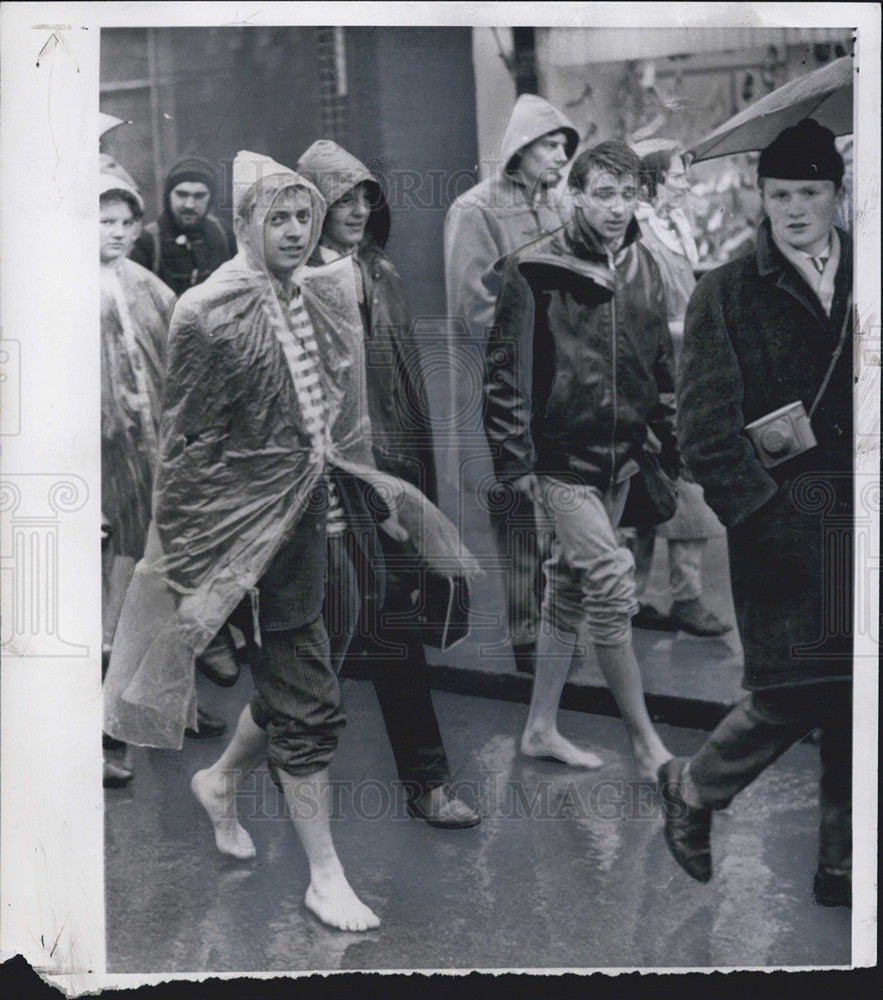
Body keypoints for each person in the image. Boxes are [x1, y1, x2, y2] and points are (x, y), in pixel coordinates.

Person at [104, 151, 477, 930]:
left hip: (331, 517)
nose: (296, 230)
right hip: (259, 536)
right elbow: (187, 445)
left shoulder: (317, 291)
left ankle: (221, 779)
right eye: (278, 217)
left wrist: (374, 492)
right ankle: (324, 875)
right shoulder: (206, 310)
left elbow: (342, 411)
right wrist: (205, 557)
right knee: (307, 701)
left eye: (304, 216)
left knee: (315, 675)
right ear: (242, 224)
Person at [660, 119, 853, 909]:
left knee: (857, 691)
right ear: (759, 197)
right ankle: (695, 788)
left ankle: (841, 862)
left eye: (809, 193)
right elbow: (702, 433)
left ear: (838, 196)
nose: (795, 209)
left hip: (864, 521)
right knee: (792, 692)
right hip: (780, 529)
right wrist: (761, 517)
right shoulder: (724, 294)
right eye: (779, 195)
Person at [296, 139, 480, 828]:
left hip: (387, 485)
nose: (356, 209)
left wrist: (411, 488)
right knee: (311, 648)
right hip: (321, 489)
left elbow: (405, 394)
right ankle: (240, 778)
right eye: (340, 199)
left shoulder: (384, 274)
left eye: (364, 196)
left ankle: (426, 781)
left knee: (395, 628)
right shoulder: (295, 281)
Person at [484, 141, 675, 778]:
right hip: (560, 458)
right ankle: (647, 745)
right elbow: (505, 375)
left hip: (621, 455)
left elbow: (659, 366)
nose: (618, 208)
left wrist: (664, 442)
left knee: (566, 589)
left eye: (628, 194)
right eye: (603, 194)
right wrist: (519, 469)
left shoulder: (646, 266)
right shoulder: (532, 266)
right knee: (611, 585)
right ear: (575, 196)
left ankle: (539, 727)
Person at [445, 95, 579, 675]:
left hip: (559, 378)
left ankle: (555, 625)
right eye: (552, 145)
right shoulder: (475, 210)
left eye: (565, 148)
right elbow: (472, 307)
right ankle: (527, 634)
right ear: (522, 148)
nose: (561, 157)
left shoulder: (557, 206)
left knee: (558, 501)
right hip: (507, 381)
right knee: (517, 506)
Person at [621, 139, 729, 638]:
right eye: (678, 176)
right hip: (651, 373)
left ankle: (683, 594)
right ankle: (632, 598)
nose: (686, 184)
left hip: (685, 367)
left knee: (686, 478)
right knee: (649, 483)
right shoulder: (635, 232)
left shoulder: (675, 227)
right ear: (651, 182)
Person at [99, 166, 174, 788]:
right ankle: (97, 735)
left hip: (149, 461)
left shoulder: (149, 288)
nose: (118, 232)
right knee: (101, 597)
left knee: (137, 587)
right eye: (104, 221)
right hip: (95, 468)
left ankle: (127, 719)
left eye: (126, 222)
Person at [130, 153, 233, 297]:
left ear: (210, 199)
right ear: (168, 195)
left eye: (199, 196)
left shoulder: (223, 233)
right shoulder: (147, 242)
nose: (189, 204)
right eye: (182, 194)